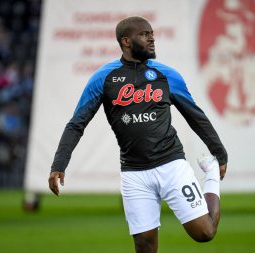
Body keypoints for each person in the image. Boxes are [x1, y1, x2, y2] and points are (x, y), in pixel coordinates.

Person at [48, 16, 228, 253]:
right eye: (144, 34)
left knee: (205, 233)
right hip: (134, 174)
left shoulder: (167, 76)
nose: (152, 38)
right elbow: (76, 124)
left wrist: (219, 154)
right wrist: (59, 164)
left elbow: (195, 116)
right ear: (125, 41)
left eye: (152, 33)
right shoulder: (104, 78)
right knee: (144, 247)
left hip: (172, 165)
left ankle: (211, 176)